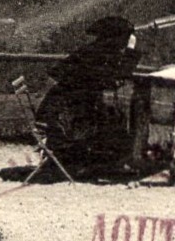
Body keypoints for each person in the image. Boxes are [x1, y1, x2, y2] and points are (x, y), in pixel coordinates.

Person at [36, 16, 141, 177]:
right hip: (64, 115)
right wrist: (131, 51)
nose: (123, 44)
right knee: (112, 121)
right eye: (123, 39)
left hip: (60, 108)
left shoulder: (93, 50)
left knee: (113, 116)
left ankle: (104, 164)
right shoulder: (98, 55)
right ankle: (107, 166)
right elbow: (118, 77)